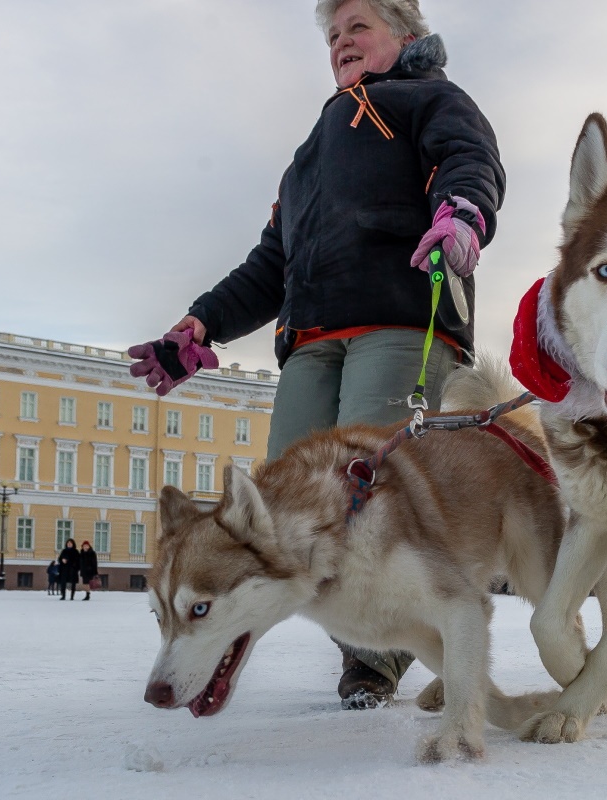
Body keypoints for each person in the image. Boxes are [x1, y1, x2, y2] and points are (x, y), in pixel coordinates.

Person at [128, 0, 504, 710]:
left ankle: (380, 656)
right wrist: (201, 326)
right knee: (285, 508)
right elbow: (271, 263)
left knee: (373, 497)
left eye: (358, 27)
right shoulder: (307, 158)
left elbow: (471, 163)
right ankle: (361, 643)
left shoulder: (433, 99)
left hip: (399, 321)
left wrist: (463, 215)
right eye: (333, 35)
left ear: (408, 35)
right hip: (310, 341)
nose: (342, 42)